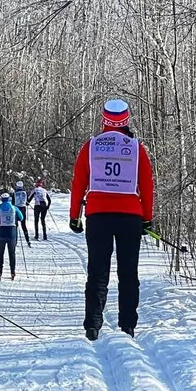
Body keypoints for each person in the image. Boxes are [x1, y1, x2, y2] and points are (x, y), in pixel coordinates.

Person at [69, 98, 154, 341]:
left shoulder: (92, 146)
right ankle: (127, 325)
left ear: (103, 119)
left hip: (97, 216)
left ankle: (93, 326)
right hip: (130, 217)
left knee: (97, 272)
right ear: (126, 119)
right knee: (128, 272)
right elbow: (147, 185)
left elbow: (78, 182)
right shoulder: (137, 147)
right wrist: (147, 218)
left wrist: (75, 215)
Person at [0, 192, 24, 280]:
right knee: (12, 253)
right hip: (12, 232)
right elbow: (21, 218)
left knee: (0, 253)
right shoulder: (14, 208)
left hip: (1, 232)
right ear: (9, 199)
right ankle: (12, 272)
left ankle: (0, 272)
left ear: (1, 199)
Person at [12, 181, 31, 246]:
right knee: (24, 225)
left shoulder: (14, 193)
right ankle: (28, 241)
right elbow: (27, 201)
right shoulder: (25, 193)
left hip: (17, 209)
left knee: (16, 225)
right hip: (23, 209)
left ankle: (15, 241)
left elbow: (12, 203)